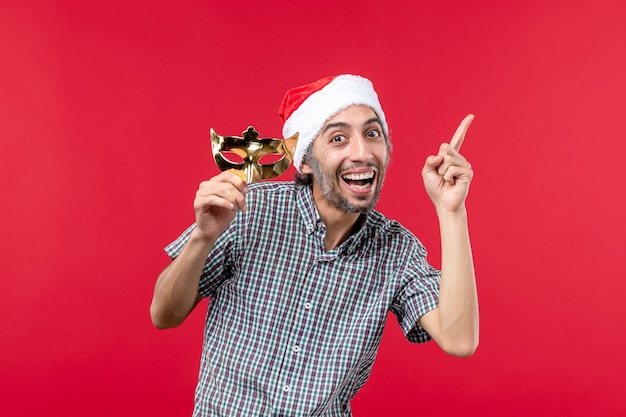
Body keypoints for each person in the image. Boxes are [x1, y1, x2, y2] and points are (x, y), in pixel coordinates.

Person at [150, 74, 479, 416]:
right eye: (339, 138)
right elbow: (163, 315)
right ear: (305, 161)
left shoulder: (396, 250)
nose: (362, 152)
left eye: (372, 133)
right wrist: (202, 237)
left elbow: (459, 340)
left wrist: (451, 210)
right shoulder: (249, 210)